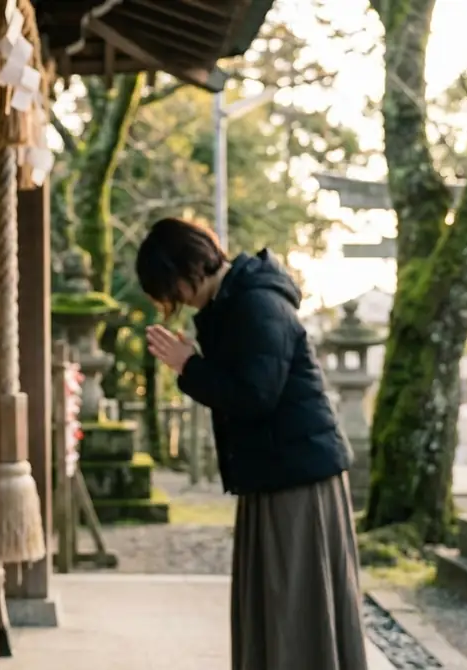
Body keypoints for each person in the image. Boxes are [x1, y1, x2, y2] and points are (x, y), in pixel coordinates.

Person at [136, 217, 367, 670]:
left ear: (190, 266)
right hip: (275, 473)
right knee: (277, 605)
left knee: (296, 605)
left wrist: (190, 367)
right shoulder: (234, 303)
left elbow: (255, 395)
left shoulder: (258, 302)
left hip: (299, 478)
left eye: (171, 288)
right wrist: (194, 365)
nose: (175, 302)